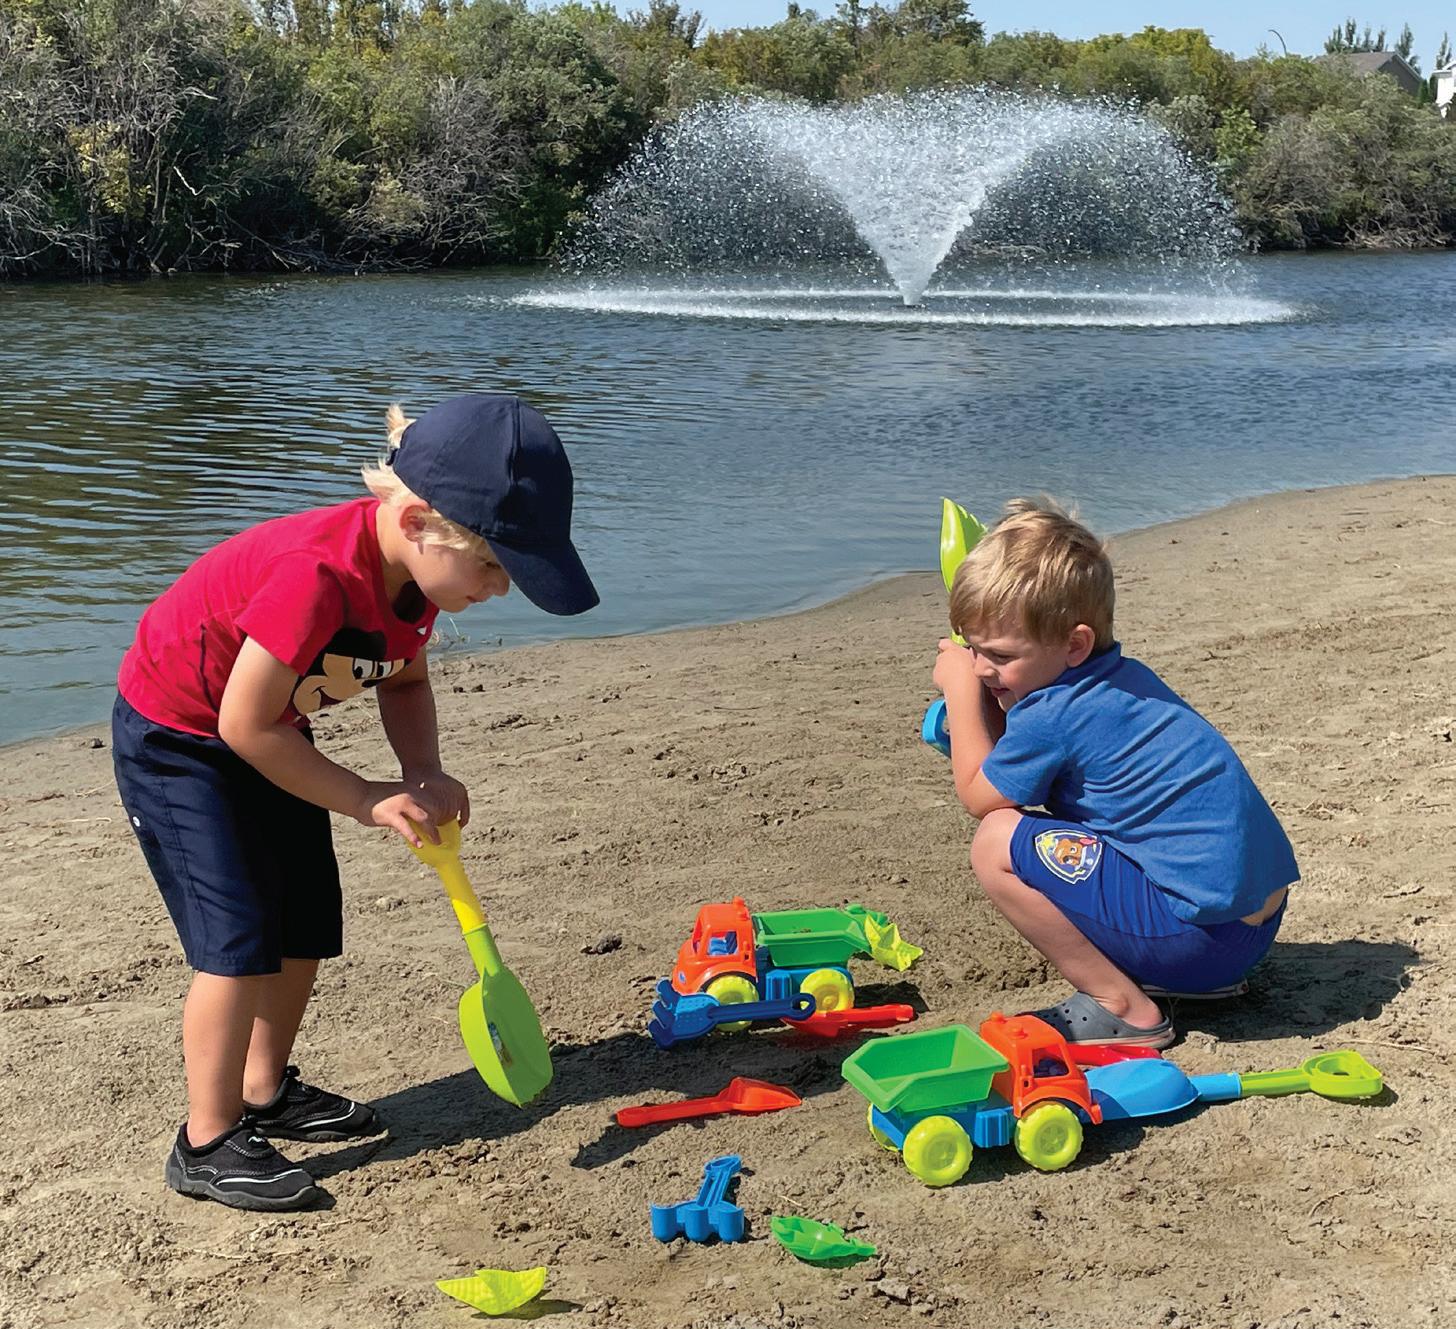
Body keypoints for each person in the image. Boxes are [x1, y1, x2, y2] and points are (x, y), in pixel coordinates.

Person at [112, 393, 597, 1210]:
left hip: (272, 730)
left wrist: (421, 769)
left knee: (303, 918)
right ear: (416, 524)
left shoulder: (421, 587)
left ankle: (264, 1089)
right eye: (491, 567)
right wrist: (366, 795)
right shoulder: (315, 576)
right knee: (237, 941)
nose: (500, 588)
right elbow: (240, 723)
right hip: (182, 739)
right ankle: (206, 1139)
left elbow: (402, 680)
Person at [931, 498, 1295, 1049]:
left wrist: (960, 692)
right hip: (1251, 930)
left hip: (1198, 943)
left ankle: (1122, 1006)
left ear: (1074, 644)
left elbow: (981, 797)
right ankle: (1177, 978)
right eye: (973, 651)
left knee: (996, 842)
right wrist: (992, 689)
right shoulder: (1124, 680)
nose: (982, 668)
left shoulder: (1054, 713)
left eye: (999, 656)